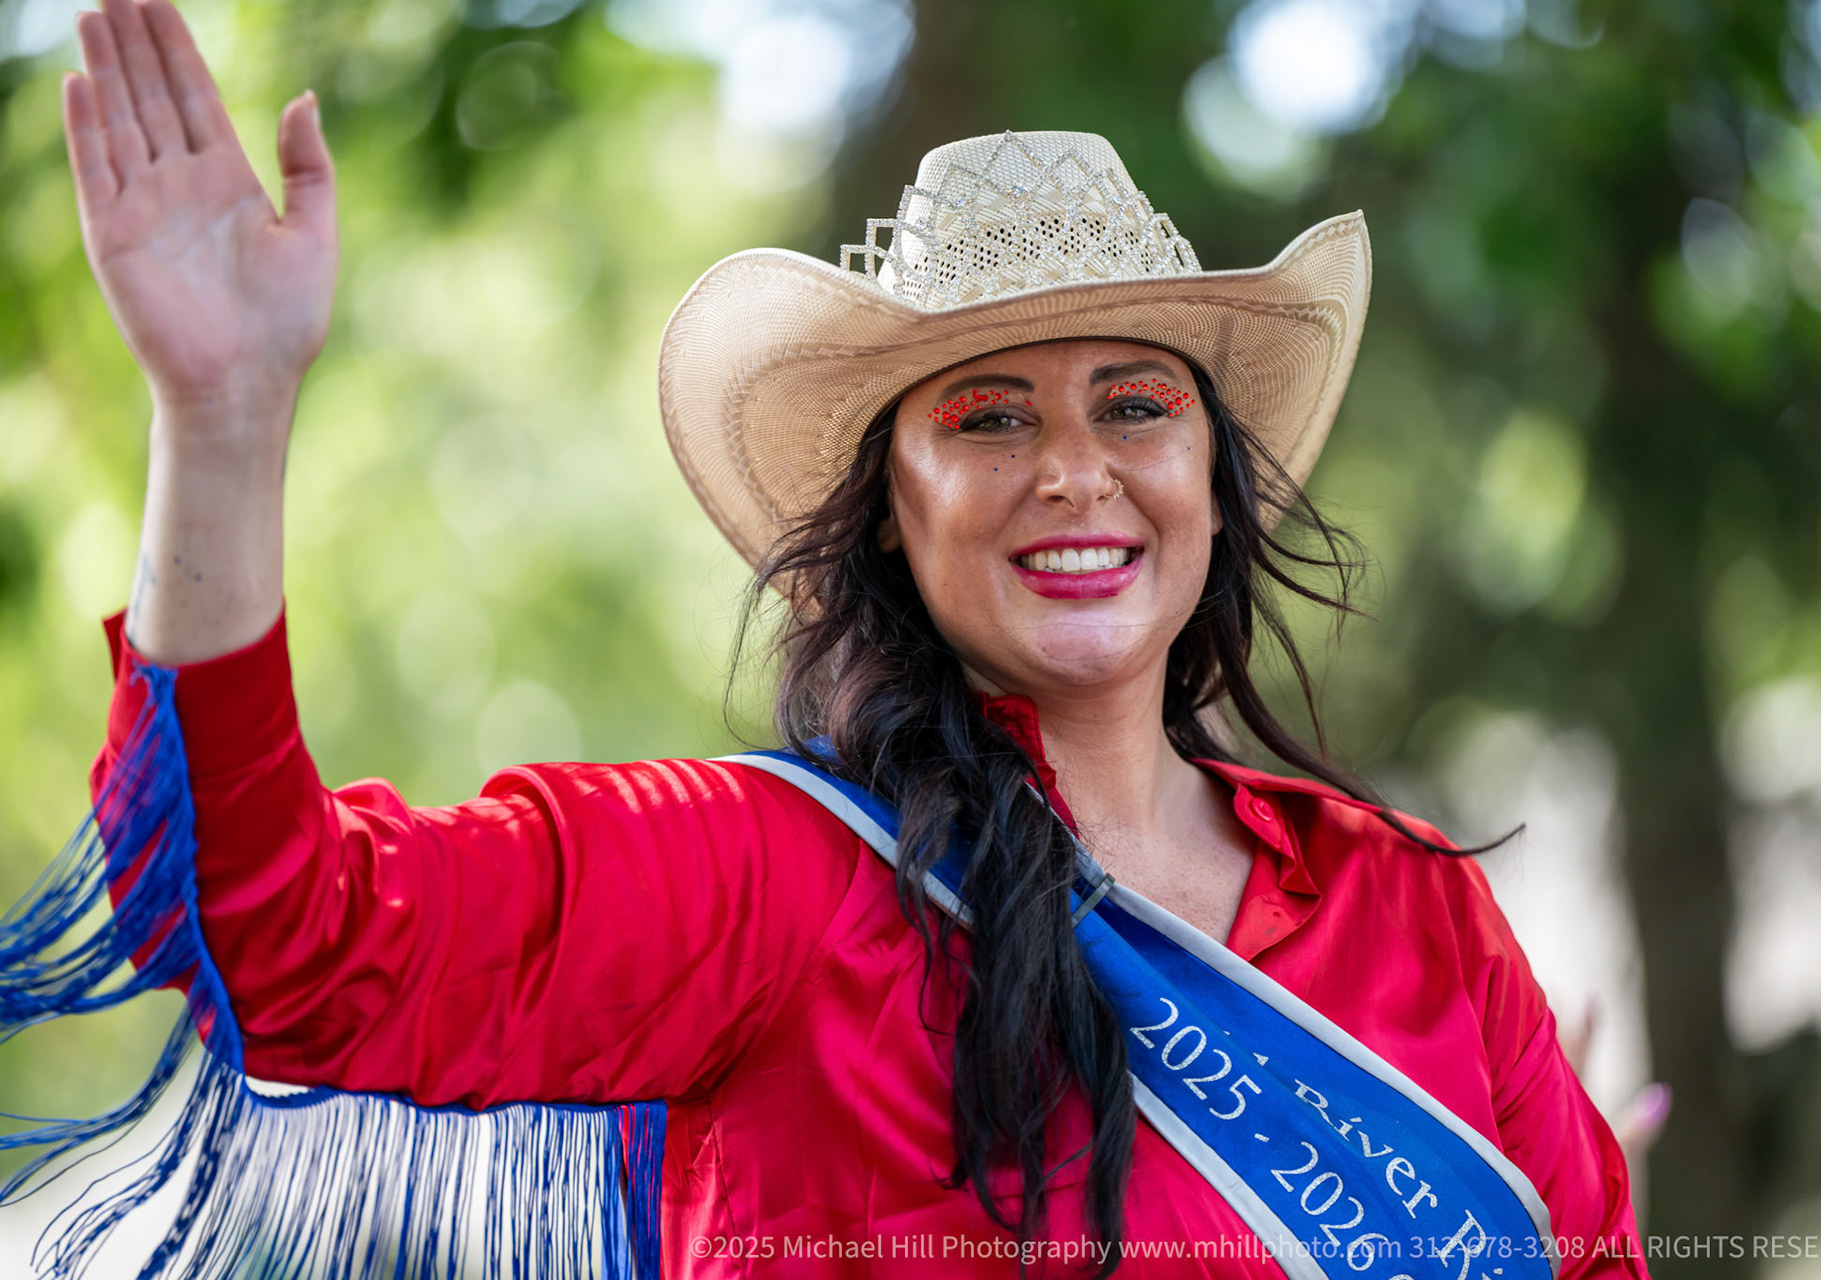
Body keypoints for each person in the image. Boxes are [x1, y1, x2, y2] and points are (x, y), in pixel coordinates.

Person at [10, 1, 1649, 1275]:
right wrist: (220, 422)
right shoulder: (771, 884)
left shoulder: (1413, 911)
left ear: (1212, 484)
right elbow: (285, 935)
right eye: (988, 417)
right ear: (887, 514)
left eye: (1137, 403)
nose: (1075, 469)